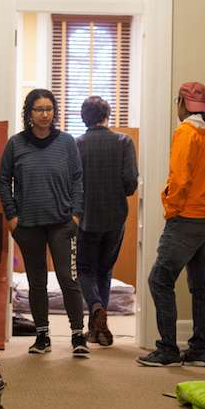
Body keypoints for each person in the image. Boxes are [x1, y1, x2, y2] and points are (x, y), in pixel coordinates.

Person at [137, 82, 205, 368]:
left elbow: (179, 178)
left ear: (180, 104)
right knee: (201, 283)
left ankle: (167, 350)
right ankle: (200, 350)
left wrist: (171, 209)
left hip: (188, 218)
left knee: (159, 279)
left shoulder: (187, 132)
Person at [0, 89, 88, 357]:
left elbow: (77, 179)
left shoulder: (67, 142)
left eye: (49, 109)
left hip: (62, 223)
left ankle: (77, 335)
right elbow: (4, 180)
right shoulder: (16, 144)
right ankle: (41, 336)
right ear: (29, 113)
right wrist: (12, 217)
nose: (45, 114)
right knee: (36, 281)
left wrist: (75, 214)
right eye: (39, 109)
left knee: (68, 278)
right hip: (28, 225)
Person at [75, 96, 138, 347]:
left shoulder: (76, 144)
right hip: (115, 216)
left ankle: (96, 307)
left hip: (85, 216)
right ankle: (98, 324)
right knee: (105, 269)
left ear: (83, 118)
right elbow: (131, 182)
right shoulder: (124, 142)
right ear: (107, 116)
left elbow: (72, 182)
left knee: (84, 268)